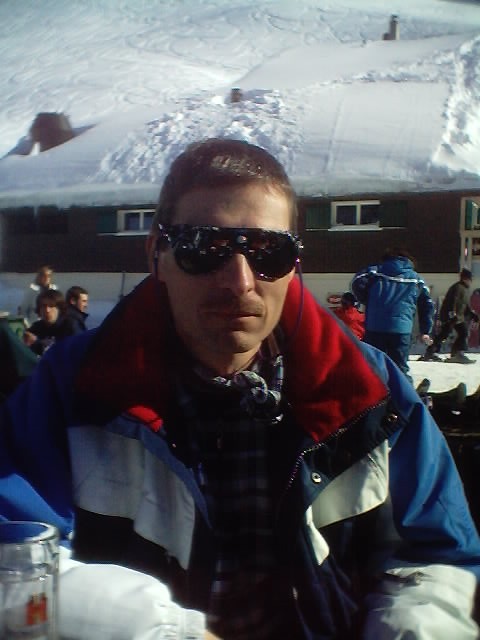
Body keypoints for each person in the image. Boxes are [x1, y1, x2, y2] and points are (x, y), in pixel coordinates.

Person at [0, 138, 479, 640]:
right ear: (157, 254)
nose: (240, 281)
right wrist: (166, 631)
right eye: (204, 247)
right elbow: (16, 554)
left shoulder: (369, 390)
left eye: (269, 251)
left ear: (294, 264)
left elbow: (436, 558)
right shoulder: (75, 387)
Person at [351, 247, 434, 381]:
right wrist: (425, 330)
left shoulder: (375, 272)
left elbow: (356, 282)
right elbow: (427, 305)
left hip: (375, 327)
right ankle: (403, 392)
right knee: (399, 368)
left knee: (373, 367)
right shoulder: (416, 279)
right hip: (402, 329)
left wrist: (367, 300)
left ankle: (374, 392)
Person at [422, 267, 479, 364]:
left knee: (448, 334)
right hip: (451, 316)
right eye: (470, 279)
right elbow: (453, 301)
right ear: (465, 278)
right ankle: (456, 354)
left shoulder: (464, 289)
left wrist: (473, 315)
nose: (471, 281)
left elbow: (465, 305)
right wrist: (452, 314)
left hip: (457, 317)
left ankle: (435, 352)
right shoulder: (458, 287)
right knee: (458, 333)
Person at [22, 289, 75, 356]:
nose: (47, 310)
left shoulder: (69, 326)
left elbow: (65, 354)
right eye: (44, 306)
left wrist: (36, 343)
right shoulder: (36, 327)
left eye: (51, 306)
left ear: (59, 308)